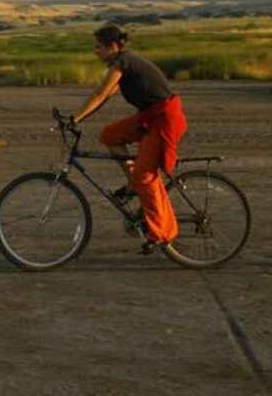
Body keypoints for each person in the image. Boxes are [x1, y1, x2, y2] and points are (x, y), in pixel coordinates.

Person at [72, 24, 187, 252]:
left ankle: (160, 234)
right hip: (149, 117)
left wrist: (74, 120)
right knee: (110, 135)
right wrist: (79, 118)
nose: (95, 52)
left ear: (113, 46)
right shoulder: (122, 63)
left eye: (98, 47)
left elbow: (100, 94)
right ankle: (133, 185)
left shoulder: (123, 62)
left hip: (164, 119)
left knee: (145, 176)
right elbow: (106, 96)